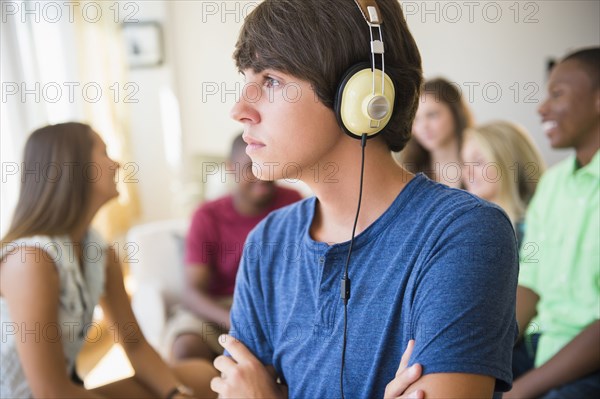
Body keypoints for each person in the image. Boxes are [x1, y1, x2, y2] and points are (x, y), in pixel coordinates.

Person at [209, 1, 518, 398]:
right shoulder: (267, 242)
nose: (239, 109)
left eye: (270, 80)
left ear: (360, 95)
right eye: (245, 78)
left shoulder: (465, 232)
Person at [0, 123, 217, 399]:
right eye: (104, 152)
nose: (116, 164)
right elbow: (51, 392)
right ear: (74, 167)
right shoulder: (29, 262)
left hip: (61, 391)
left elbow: (134, 343)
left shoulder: (99, 252)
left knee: (201, 375)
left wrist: (175, 394)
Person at [505, 47, 600, 398]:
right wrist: (474, 355)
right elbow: (529, 287)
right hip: (542, 350)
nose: (541, 108)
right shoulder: (553, 183)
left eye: (557, 94)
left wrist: (520, 391)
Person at [165, 133, 302, 362]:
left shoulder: (294, 202)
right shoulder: (207, 216)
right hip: (221, 310)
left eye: (268, 164)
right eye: (250, 167)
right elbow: (192, 293)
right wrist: (238, 321)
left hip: (279, 306)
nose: (261, 174)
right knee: (186, 347)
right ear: (230, 169)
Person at [460, 121, 545, 246]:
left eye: (478, 162)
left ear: (508, 164)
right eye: (464, 163)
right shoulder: (469, 226)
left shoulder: (538, 224)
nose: (467, 173)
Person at [398, 77, 474, 188]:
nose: (423, 126)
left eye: (432, 115)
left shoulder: (481, 167)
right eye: (415, 119)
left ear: (455, 112)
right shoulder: (408, 173)